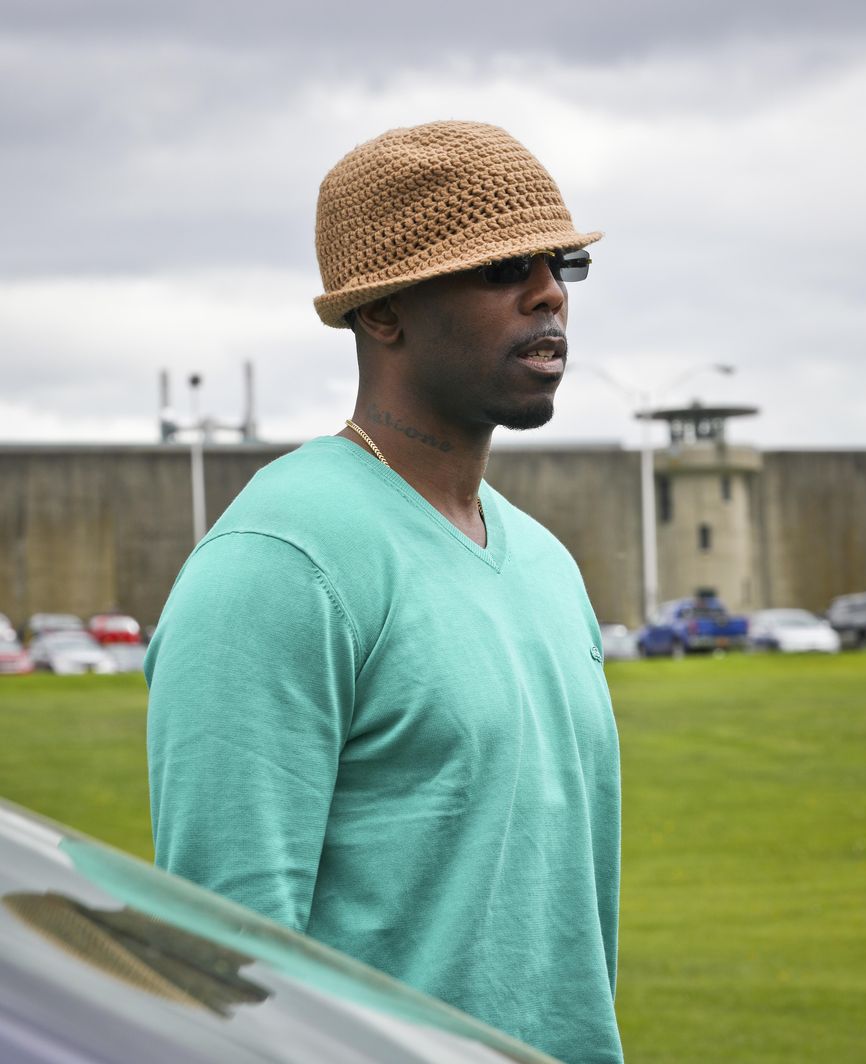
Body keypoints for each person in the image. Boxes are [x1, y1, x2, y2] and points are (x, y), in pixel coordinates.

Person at [146, 120, 623, 1064]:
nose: (548, 297)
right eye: (500, 270)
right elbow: (222, 971)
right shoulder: (281, 561)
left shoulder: (547, 565)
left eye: (561, 264)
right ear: (384, 311)